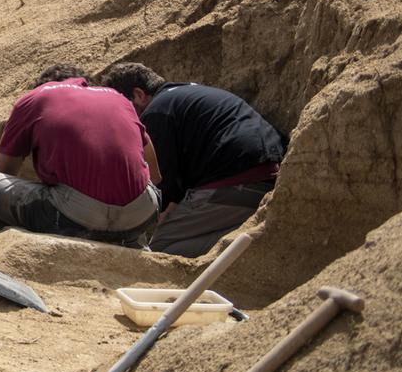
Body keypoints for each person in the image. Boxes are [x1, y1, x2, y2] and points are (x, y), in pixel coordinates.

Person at [100, 63, 287, 257]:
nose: (124, 119)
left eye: (123, 109)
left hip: (232, 180)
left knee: (157, 251)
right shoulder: (188, 94)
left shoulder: (157, 111)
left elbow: (161, 188)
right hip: (269, 175)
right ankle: (244, 238)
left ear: (138, 95)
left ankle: (247, 245)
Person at [0, 65, 161, 247]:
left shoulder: (36, 98)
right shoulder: (118, 98)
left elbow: (4, 171)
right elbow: (156, 175)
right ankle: (131, 243)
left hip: (77, 218)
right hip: (143, 212)